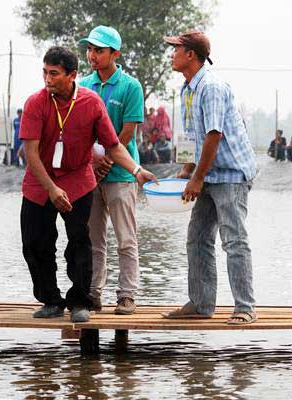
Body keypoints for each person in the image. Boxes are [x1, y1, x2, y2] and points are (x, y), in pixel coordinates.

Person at [19, 46, 156, 323]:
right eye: (45, 72)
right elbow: (30, 153)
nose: (47, 79)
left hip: (77, 180)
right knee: (35, 243)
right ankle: (51, 299)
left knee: (81, 242)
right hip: (40, 181)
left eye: (54, 74)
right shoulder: (36, 103)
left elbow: (114, 146)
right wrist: (51, 189)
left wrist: (137, 170)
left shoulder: (91, 103)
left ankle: (80, 300)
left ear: (72, 75)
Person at [161, 30, 258, 324]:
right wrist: (188, 170)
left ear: (191, 54)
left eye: (176, 49)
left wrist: (197, 179)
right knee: (198, 237)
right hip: (208, 172)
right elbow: (195, 135)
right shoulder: (187, 88)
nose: (172, 54)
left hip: (230, 173)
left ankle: (245, 307)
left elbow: (214, 136)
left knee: (234, 239)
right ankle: (202, 304)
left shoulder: (211, 86)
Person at [78, 25, 146, 315]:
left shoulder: (130, 87)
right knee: (93, 239)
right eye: (90, 49)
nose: (92, 55)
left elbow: (127, 133)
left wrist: (106, 159)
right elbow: (79, 131)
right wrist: (94, 162)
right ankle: (94, 293)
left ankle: (127, 295)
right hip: (89, 174)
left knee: (126, 238)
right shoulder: (82, 85)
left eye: (99, 50)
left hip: (120, 175)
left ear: (115, 53)